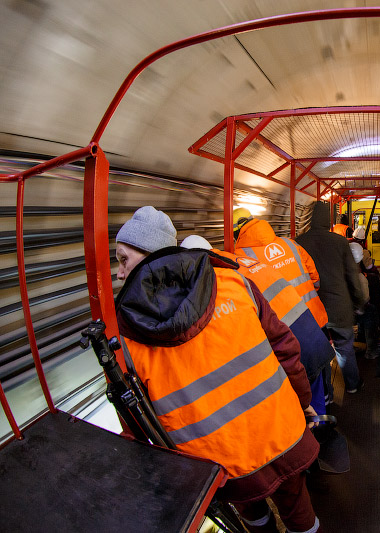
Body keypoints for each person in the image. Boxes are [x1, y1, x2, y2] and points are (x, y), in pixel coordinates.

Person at [114, 207, 320, 533]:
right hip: (280, 432)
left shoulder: (125, 337)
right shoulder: (231, 281)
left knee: (252, 514)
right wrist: (302, 400)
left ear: (147, 254)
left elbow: (136, 422)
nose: (119, 274)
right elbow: (285, 349)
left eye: (123, 259)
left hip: (220, 466)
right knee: (297, 510)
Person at [181, 234, 334, 416]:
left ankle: (320, 432)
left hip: (291, 343)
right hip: (309, 327)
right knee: (319, 397)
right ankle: (324, 426)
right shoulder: (242, 260)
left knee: (306, 409)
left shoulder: (222, 276)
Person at [296, 202, 368, 395]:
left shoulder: (298, 243)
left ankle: (326, 393)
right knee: (344, 349)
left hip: (312, 308)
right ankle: (352, 384)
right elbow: (352, 276)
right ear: (328, 220)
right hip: (339, 307)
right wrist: (359, 302)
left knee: (320, 353)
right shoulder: (340, 242)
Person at [232, 207, 329, 330]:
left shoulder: (240, 259)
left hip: (286, 327)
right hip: (314, 315)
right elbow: (314, 277)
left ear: (235, 233)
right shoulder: (290, 243)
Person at [356, 248, 380, 359]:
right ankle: (372, 351)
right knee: (370, 311)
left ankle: (361, 336)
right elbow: (365, 300)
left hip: (341, 311)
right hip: (353, 312)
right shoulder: (361, 278)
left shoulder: (341, 272)